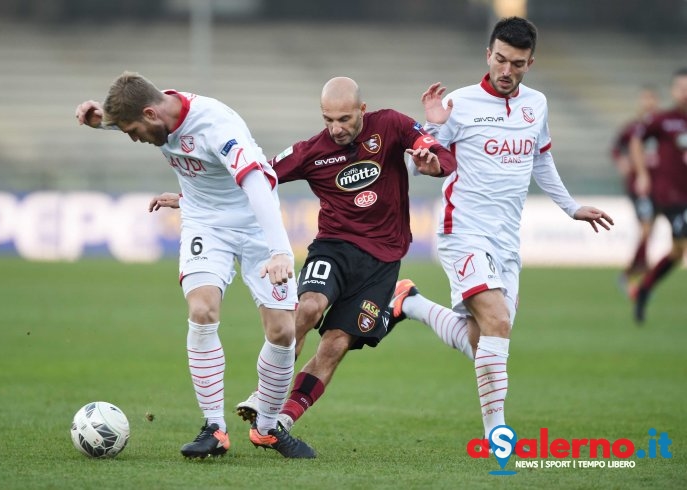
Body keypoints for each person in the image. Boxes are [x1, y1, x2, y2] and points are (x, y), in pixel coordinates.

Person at [157, 76, 454, 438]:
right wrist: (191, 199)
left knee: (335, 345)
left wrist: (432, 164)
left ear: (362, 110)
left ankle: (283, 420)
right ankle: (265, 396)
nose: (336, 128)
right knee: (309, 306)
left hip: (383, 260)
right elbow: (254, 176)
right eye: (328, 119)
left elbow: (438, 152)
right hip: (334, 246)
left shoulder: (391, 124)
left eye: (344, 119)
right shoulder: (312, 151)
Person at [387, 17, 614, 445]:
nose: (507, 71)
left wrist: (570, 207)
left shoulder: (537, 104)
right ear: (487, 55)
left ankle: (410, 303)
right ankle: (497, 434)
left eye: (518, 64)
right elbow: (428, 158)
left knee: (484, 342)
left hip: (507, 240)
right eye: (501, 60)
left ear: (531, 63)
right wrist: (432, 138)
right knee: (497, 321)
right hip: (462, 232)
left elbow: (541, 159)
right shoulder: (459, 103)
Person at [74, 71, 316, 459]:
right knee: (202, 310)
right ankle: (214, 428)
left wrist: (280, 251)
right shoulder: (156, 116)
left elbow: (256, 184)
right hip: (205, 222)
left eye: (133, 131)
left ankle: (268, 428)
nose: (135, 138)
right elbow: (138, 117)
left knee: (284, 331)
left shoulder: (217, 126)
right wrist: (101, 119)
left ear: (152, 114)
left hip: (257, 222)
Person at [630, 67, 687, 324]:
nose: (684, 94)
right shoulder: (664, 120)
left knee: (677, 253)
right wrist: (642, 173)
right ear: (674, 91)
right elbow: (635, 140)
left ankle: (644, 288)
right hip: (672, 196)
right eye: (681, 89)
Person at [611, 85, 660, 292]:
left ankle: (643, 268)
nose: (648, 103)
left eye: (651, 99)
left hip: (658, 186)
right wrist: (623, 163)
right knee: (647, 228)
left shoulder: (660, 126)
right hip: (638, 186)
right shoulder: (633, 128)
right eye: (645, 99)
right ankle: (631, 271)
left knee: (649, 230)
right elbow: (615, 148)